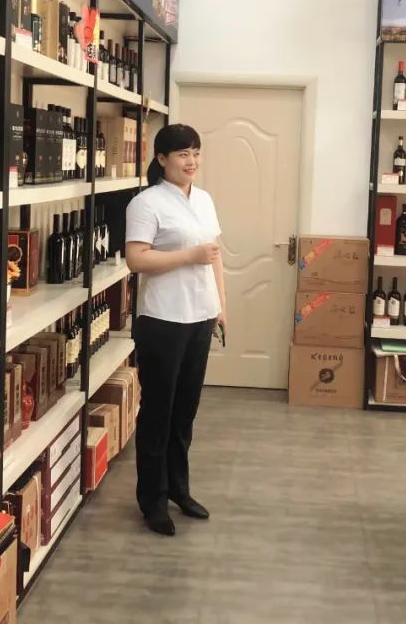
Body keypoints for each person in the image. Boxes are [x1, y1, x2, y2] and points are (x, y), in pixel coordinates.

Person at [125, 124, 226, 537]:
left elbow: (215, 255)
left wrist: (221, 306)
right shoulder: (146, 203)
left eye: (196, 153)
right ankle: (153, 500)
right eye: (183, 154)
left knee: (185, 412)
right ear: (162, 158)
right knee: (158, 413)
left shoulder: (204, 199)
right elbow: (136, 260)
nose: (191, 161)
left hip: (200, 316)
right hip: (163, 320)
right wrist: (189, 255)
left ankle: (179, 490)